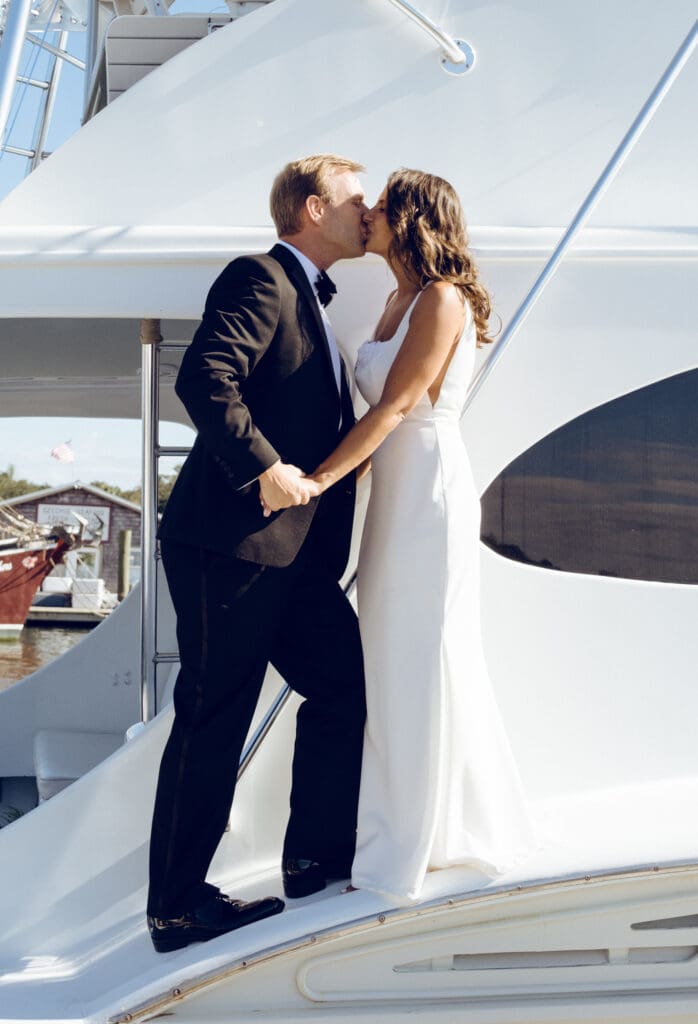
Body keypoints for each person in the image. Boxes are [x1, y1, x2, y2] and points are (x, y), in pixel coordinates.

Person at [267, 168, 536, 901]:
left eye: (384, 203)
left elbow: (394, 408)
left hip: (431, 494)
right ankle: (403, 822)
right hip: (394, 497)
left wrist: (319, 481)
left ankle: (427, 836)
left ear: (413, 219)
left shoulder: (443, 300)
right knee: (388, 660)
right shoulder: (396, 299)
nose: (371, 211)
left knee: (425, 655)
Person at [147, 154, 369, 952]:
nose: (367, 212)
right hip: (231, 544)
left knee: (342, 687)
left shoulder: (316, 299)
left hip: (297, 558)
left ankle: (311, 861)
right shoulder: (261, 277)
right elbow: (205, 379)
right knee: (215, 717)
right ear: (314, 208)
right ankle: (175, 907)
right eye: (355, 200)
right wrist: (266, 467)